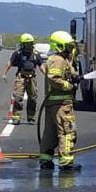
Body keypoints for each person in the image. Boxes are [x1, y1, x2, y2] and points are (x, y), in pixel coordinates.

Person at [39, 30, 81, 172]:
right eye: (68, 46)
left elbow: (62, 74)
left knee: (50, 133)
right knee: (67, 131)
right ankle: (66, 162)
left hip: (53, 103)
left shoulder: (60, 59)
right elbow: (54, 78)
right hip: (62, 104)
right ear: (59, 46)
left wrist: (74, 76)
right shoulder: (58, 59)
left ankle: (46, 159)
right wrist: (69, 85)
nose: (71, 49)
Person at [2, 33, 44, 124]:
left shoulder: (36, 54)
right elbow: (9, 63)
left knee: (33, 98)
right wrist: (4, 74)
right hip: (21, 78)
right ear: (23, 44)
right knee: (17, 97)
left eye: (31, 43)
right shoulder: (17, 54)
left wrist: (47, 75)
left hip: (32, 78)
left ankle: (31, 117)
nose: (29, 45)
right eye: (27, 43)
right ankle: (16, 117)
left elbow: (41, 66)